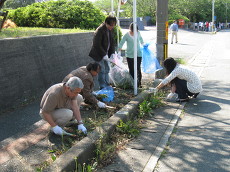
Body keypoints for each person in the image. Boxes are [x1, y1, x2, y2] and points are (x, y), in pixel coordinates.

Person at [89, 15, 117, 89]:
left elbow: (112, 43)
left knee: (107, 69)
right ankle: (103, 87)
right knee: (101, 70)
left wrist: (112, 54)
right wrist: (104, 54)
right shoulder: (100, 30)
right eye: (111, 25)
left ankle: (107, 84)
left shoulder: (110, 30)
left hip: (105, 53)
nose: (112, 27)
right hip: (98, 54)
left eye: (113, 26)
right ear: (106, 23)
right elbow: (96, 44)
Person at [117, 22, 144, 87]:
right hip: (130, 54)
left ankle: (139, 83)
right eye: (133, 31)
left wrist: (144, 45)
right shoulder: (127, 35)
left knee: (138, 68)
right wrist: (119, 50)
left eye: (136, 30)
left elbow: (141, 40)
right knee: (131, 69)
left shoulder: (138, 33)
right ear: (130, 29)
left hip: (138, 54)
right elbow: (121, 42)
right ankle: (133, 83)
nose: (134, 32)